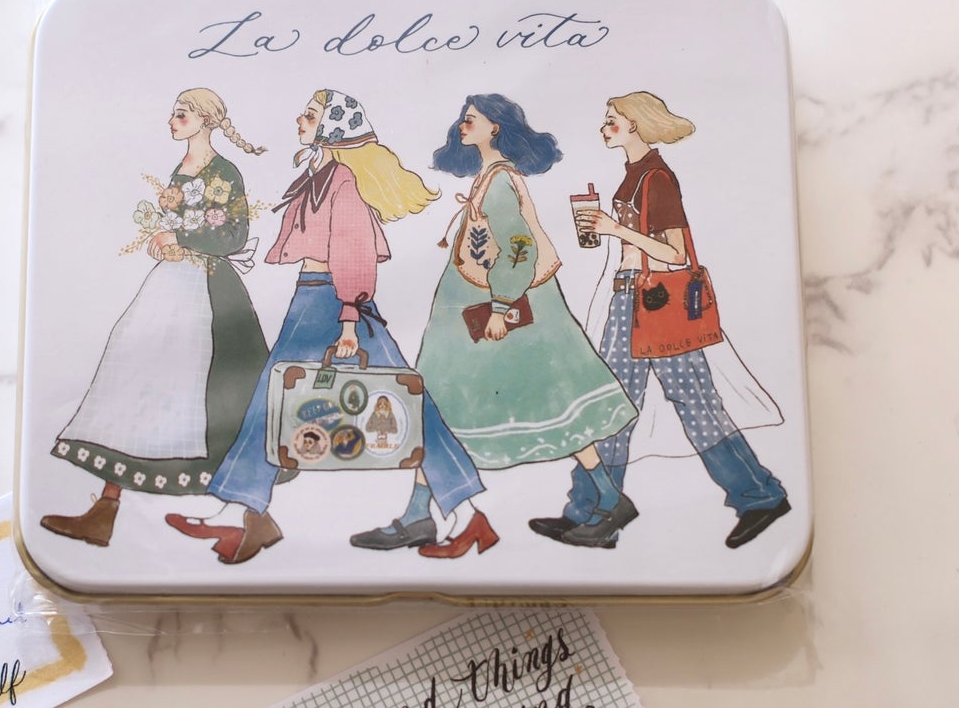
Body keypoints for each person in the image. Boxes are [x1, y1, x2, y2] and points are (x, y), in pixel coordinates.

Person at [167, 89, 491, 565]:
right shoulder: (321, 173)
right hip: (313, 296)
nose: (299, 120)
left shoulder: (343, 181)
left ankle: (466, 515)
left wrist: (349, 321)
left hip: (338, 302)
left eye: (310, 115)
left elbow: (354, 251)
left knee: (406, 406)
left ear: (332, 127)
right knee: (273, 400)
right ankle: (247, 512)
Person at [361, 95, 636, 551]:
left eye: (472, 119)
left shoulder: (500, 181)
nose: (462, 124)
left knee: (451, 405)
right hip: (476, 314)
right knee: (511, 403)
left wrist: (500, 305)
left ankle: (419, 516)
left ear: (495, 128)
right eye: (463, 118)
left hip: (490, 317)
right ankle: (607, 497)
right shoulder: (490, 177)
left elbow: (521, 249)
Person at [530, 91, 790, 548]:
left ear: (635, 124)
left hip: (657, 304)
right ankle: (593, 511)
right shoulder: (635, 174)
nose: (604, 127)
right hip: (628, 300)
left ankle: (760, 497)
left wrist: (615, 229)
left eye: (611, 120)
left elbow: (676, 254)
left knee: (695, 403)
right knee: (612, 407)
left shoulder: (657, 178)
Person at [41, 88, 270, 548]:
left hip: (209, 290)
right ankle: (106, 508)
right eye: (173, 114)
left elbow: (234, 236)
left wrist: (178, 236)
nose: (171, 121)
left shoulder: (225, 171)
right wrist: (167, 240)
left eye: (181, 114)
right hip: (173, 281)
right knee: (133, 360)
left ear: (205, 120)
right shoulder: (180, 169)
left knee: (221, 391)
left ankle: (255, 516)